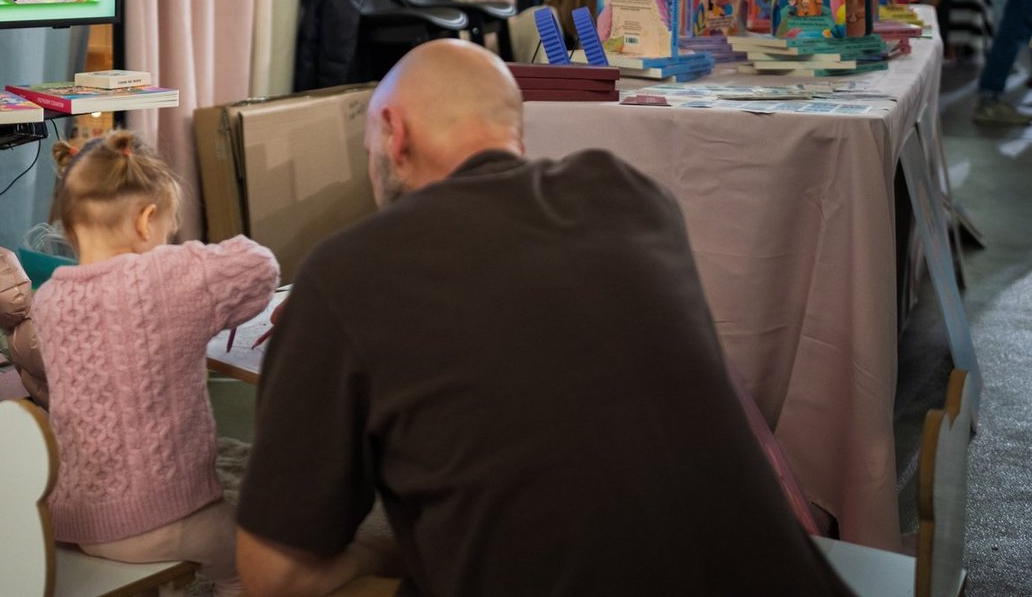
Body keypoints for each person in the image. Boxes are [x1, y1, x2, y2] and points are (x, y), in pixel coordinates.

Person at [236, 41, 854, 597]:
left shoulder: (348, 271)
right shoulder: (633, 199)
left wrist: (384, 550)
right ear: (515, 135)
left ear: (394, 135)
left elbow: (274, 576)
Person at [31, 131, 279, 596]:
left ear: (68, 225)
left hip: (76, 522)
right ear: (146, 220)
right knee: (250, 565)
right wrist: (177, 256)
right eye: (168, 228)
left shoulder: (47, 301)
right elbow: (260, 265)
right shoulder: (166, 275)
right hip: (165, 518)